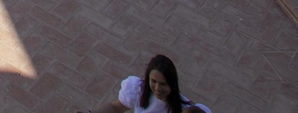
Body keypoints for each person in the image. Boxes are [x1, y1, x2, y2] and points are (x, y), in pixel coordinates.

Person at [81, 54, 209, 113]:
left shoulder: (186, 110)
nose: (157, 88)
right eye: (153, 81)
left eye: (163, 84)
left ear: (172, 83)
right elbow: (116, 107)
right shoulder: (139, 90)